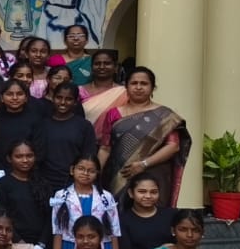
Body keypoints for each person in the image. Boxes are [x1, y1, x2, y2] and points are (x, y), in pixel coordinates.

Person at [98, 66, 191, 204]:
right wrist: (96, 173)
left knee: (151, 212)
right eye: (134, 83)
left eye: (144, 83)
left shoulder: (164, 116)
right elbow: (105, 148)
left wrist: (144, 164)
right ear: (126, 87)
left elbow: (173, 146)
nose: (138, 87)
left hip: (153, 173)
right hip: (119, 175)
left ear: (153, 88)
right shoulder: (113, 114)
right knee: (118, 212)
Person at [0, 141, 55, 249]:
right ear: (10, 158)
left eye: (29, 156)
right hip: (14, 244)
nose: (25, 160)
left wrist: (41, 245)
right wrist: (21, 245)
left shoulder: (43, 183)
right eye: (19, 156)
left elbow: (50, 217)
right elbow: (3, 216)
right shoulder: (3, 184)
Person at [52, 155, 122, 249]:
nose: (85, 173)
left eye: (91, 171)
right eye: (81, 169)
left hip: (101, 248)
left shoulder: (106, 197)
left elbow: (114, 231)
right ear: (72, 170)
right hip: (70, 247)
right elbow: (57, 231)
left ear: (97, 173)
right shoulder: (61, 196)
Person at [36, 82, 96, 195]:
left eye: (68, 99)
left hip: (73, 184)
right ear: (53, 98)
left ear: (75, 102)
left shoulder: (84, 126)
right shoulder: (42, 124)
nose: (63, 102)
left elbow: (89, 156)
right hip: (44, 183)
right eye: (59, 97)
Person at [0, 79, 41, 176]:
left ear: (26, 97)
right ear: (1, 98)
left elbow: (39, 149)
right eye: (9, 94)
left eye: (19, 94)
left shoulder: (35, 120)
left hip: (28, 173)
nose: (15, 98)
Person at [79, 49, 124, 123]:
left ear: (115, 67)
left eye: (107, 63)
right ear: (91, 67)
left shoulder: (124, 92)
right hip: (85, 130)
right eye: (97, 63)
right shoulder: (80, 92)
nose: (102, 67)